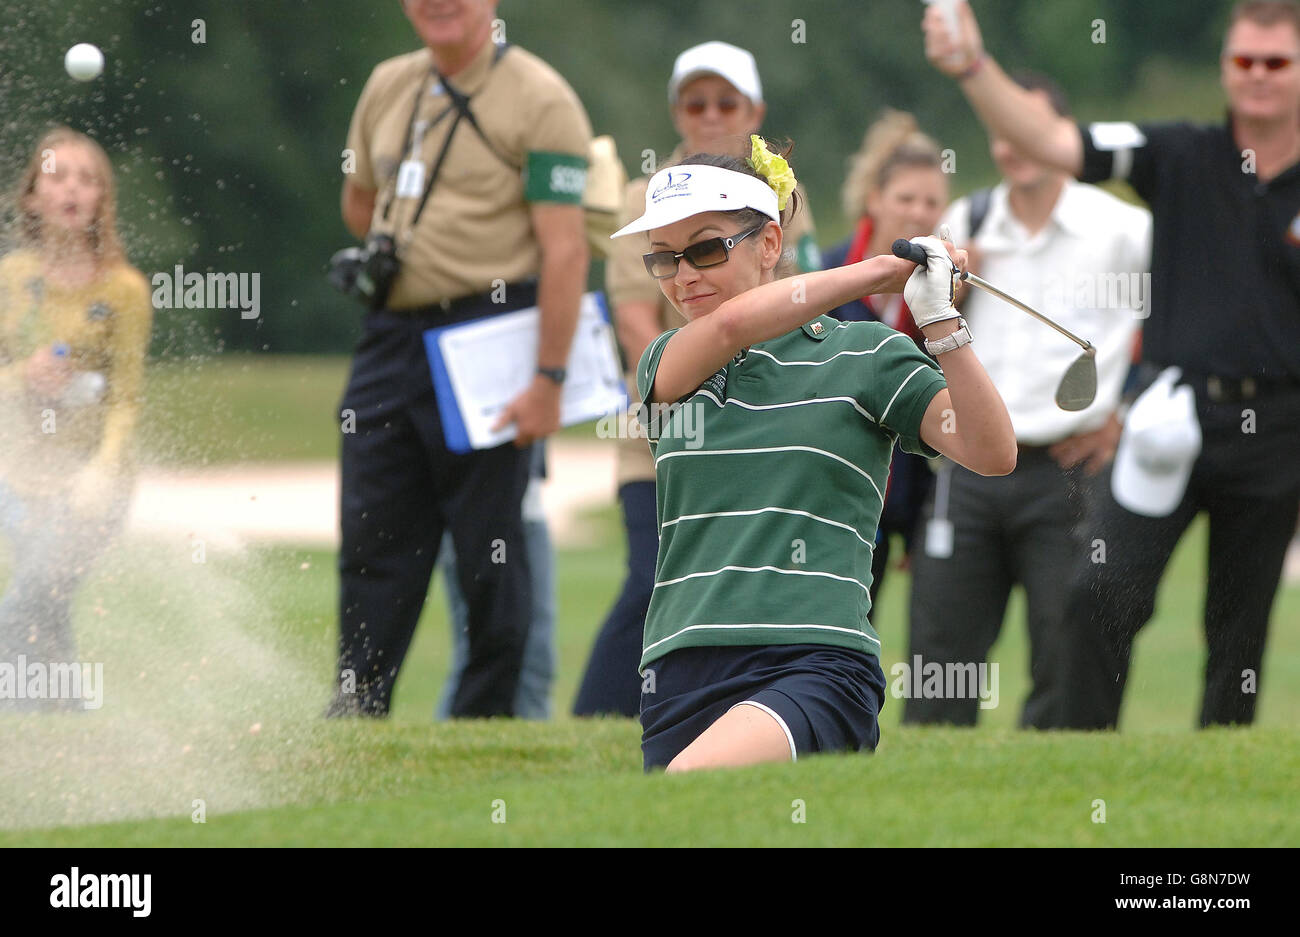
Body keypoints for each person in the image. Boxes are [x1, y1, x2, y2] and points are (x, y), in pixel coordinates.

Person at [923, 0, 1300, 728]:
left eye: (1276, 62)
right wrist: (972, 66)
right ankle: (1077, 751)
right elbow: (1054, 140)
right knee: (1096, 590)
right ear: (1224, 67)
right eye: (1243, 60)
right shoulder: (1180, 152)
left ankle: (1220, 770)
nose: (1257, 76)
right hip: (1172, 416)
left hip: (1278, 426)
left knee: (1240, 626)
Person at [614, 137, 1017, 772]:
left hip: (813, 660)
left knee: (687, 786)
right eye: (664, 259)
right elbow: (730, 328)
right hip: (678, 666)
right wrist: (880, 269)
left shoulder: (867, 355)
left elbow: (991, 451)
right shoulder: (668, 361)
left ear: (770, 243)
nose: (684, 275)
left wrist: (940, 321)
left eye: (706, 249)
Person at [328, 0, 591, 718]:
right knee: (372, 530)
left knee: (488, 543)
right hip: (391, 332)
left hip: (490, 329)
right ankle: (358, 705)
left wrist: (548, 380)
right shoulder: (387, 84)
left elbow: (566, 250)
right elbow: (360, 205)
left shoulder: (542, 97)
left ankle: (487, 713)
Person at [572, 40, 820, 718]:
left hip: (767, 428)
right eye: (694, 101)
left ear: (754, 110)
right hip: (670, 430)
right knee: (655, 583)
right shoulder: (640, 198)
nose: (709, 114)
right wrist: (695, 389)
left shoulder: (784, 196)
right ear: (676, 110)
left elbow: (801, 304)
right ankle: (599, 718)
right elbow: (635, 324)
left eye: (725, 101)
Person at [903, 72, 1151, 728]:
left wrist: (1124, 417)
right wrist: (950, 288)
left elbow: (1178, 325)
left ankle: (1060, 789)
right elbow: (923, 329)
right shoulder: (969, 219)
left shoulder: (1121, 226)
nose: (1012, 144)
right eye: (1002, 132)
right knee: (942, 649)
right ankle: (933, 783)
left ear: (1059, 137)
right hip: (971, 465)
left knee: (1067, 644)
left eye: (1026, 129)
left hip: (1068, 468)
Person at [0, 127, 152, 711]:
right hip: (19, 476)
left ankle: (15, 709)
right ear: (32, 195)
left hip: (92, 482)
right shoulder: (14, 278)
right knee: (46, 601)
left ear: (101, 202)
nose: (73, 189)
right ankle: (68, 718)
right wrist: (24, 378)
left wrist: (102, 472)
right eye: (57, 176)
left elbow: (125, 399)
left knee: (31, 595)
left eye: (87, 180)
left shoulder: (124, 289)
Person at [822, 109, 950, 605]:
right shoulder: (826, 276)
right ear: (874, 199)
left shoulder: (943, 293)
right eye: (906, 198)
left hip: (902, 509)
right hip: (831, 505)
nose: (918, 213)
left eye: (932, 202)